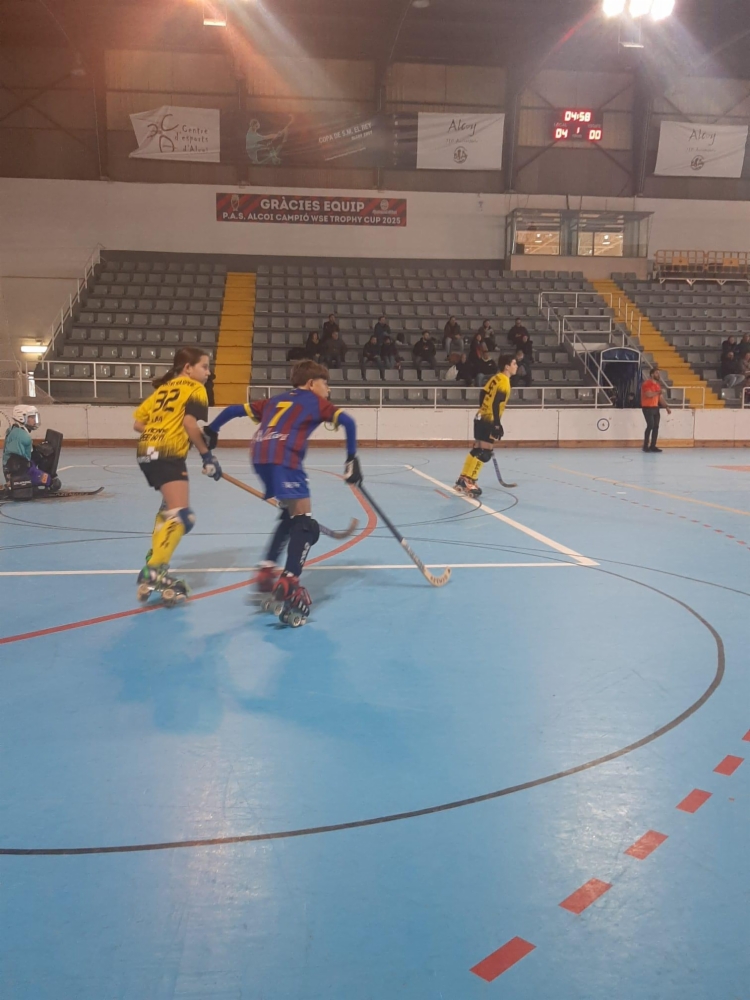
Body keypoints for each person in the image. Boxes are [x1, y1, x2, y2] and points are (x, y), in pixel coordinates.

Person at [204, 360, 362, 626]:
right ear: (311, 383)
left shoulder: (275, 400)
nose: (328, 390)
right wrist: (351, 460)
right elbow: (348, 421)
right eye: (325, 384)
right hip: (285, 458)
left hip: (259, 457)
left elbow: (232, 410)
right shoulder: (314, 401)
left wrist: (212, 429)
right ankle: (290, 581)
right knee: (305, 524)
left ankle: (267, 570)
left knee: (290, 517)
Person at [133, 347, 222, 605]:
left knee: (168, 511)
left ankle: (155, 563)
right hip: (168, 452)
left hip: (146, 451)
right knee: (183, 516)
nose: (208, 372)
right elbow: (189, 424)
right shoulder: (196, 389)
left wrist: (161, 430)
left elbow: (138, 424)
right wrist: (207, 456)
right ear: (188, 368)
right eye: (204, 366)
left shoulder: (163, 389)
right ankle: (153, 568)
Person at [455, 354, 518, 497]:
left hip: (480, 416)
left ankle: (463, 478)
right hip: (488, 419)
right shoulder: (504, 382)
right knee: (485, 453)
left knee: (477, 449)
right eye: (514, 364)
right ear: (507, 367)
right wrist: (496, 423)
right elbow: (496, 403)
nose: (516, 366)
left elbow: (482, 393)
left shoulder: (495, 378)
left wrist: (483, 410)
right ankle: (470, 481)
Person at [640, 366, 671, 453]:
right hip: (647, 407)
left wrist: (666, 406)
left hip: (655, 407)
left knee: (656, 426)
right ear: (652, 374)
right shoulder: (647, 384)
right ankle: (645, 445)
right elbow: (648, 394)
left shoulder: (657, 385)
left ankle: (653, 446)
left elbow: (660, 398)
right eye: (657, 373)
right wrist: (658, 392)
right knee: (650, 425)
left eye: (659, 373)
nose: (658, 375)